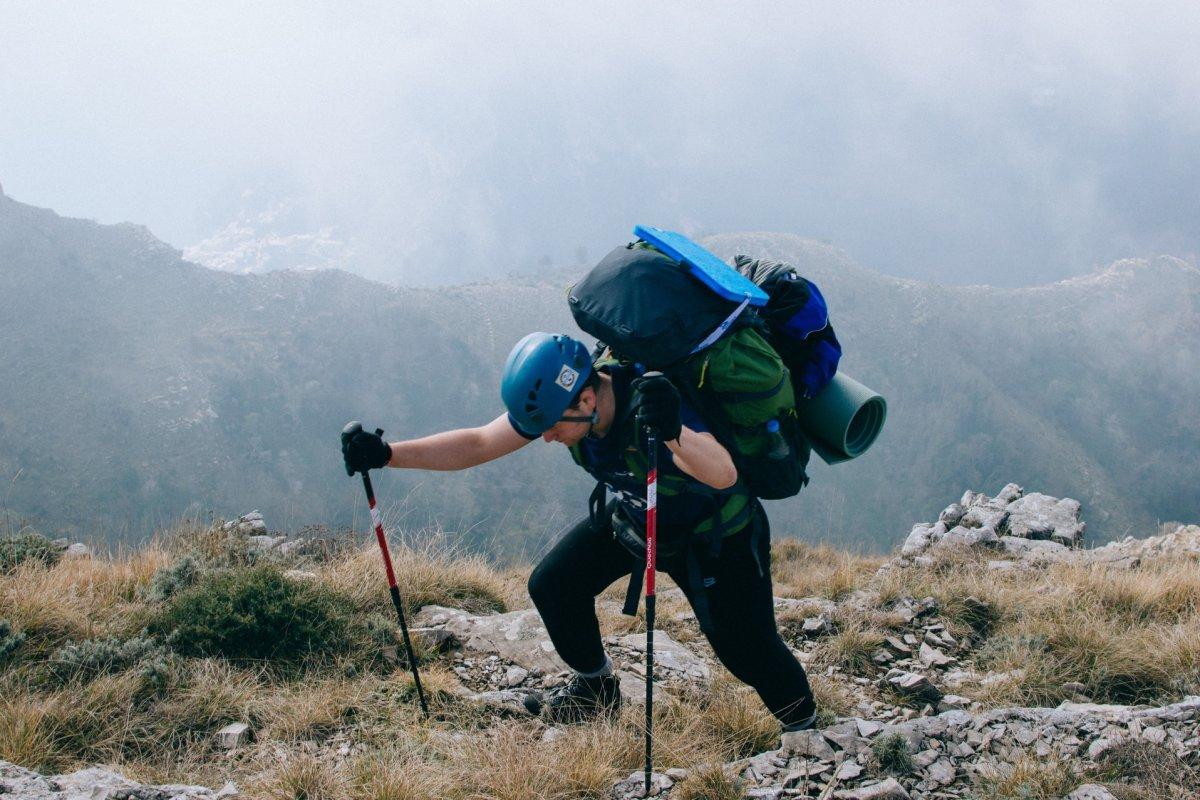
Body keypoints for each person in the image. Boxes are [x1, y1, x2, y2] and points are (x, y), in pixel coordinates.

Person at [342, 331, 817, 731]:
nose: (545, 437)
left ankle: (806, 730)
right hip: (638, 517)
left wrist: (672, 431)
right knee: (554, 585)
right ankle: (596, 693)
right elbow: (480, 443)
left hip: (717, 537)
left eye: (550, 427)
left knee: (747, 651)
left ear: (587, 399)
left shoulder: (655, 404)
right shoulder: (561, 402)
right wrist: (388, 454)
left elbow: (723, 475)